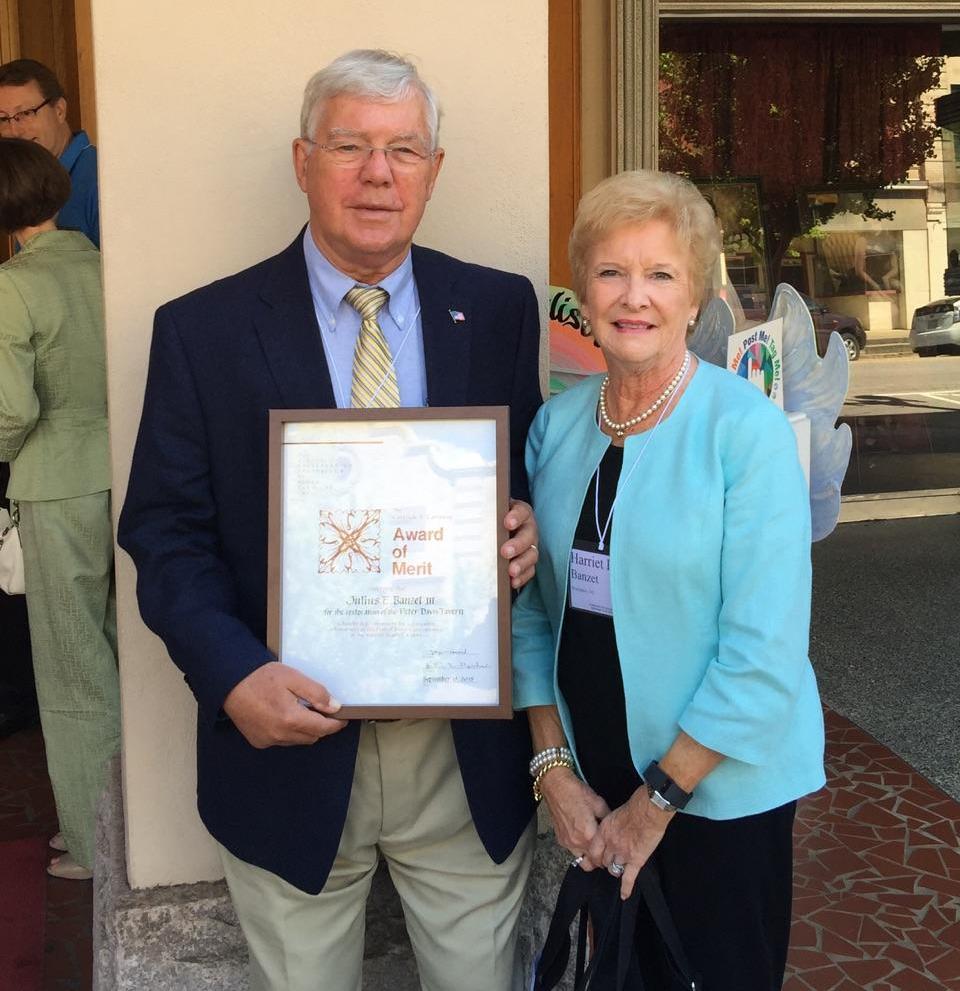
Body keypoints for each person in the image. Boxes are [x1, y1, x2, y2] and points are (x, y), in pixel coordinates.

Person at [118, 49, 542, 991]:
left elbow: (529, 484)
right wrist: (234, 677)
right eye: (350, 145)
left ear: (436, 169)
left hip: (460, 751)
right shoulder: (203, 330)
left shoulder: (500, 307)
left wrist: (528, 525)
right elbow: (165, 535)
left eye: (404, 149)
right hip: (287, 742)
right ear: (303, 159)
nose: (378, 173)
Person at [512, 169, 825, 990]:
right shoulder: (558, 425)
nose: (634, 296)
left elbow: (763, 651)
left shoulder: (744, 431)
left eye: (661, 274)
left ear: (695, 297)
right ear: (584, 293)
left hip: (719, 798)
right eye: (613, 272)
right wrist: (555, 773)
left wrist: (655, 805)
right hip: (597, 786)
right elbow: (533, 612)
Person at [0, 137, 118, 880]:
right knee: (121, 658)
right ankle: (130, 825)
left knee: (73, 673)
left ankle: (91, 839)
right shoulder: (102, 261)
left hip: (56, 482)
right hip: (121, 470)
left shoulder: (13, 284)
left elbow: (10, 411)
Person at [0, 58, 99, 246]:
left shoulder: (101, 177)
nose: (14, 131)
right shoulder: (20, 182)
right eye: (3, 119)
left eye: (26, 114)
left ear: (60, 110)